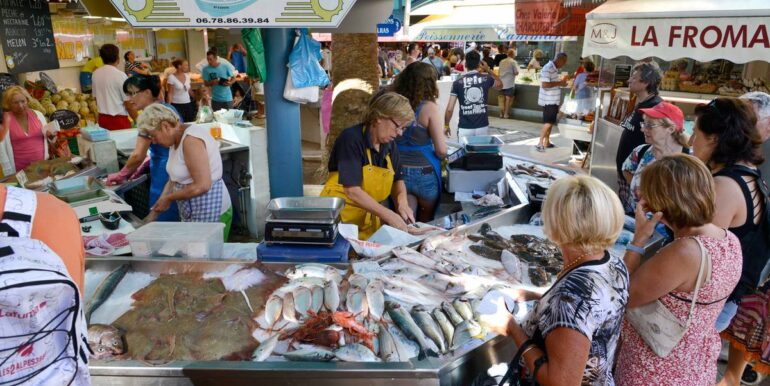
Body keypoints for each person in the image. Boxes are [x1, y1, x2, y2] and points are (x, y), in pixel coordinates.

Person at [481, 175, 628, 385]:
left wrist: (512, 328)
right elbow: (593, 307)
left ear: (557, 223)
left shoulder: (568, 300)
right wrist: (537, 295)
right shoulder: (613, 263)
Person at [615, 154, 742, 386]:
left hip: (655, 370)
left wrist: (639, 240)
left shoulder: (684, 253)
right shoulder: (729, 240)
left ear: (661, 204)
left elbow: (622, 295)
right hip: (694, 364)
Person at [681, 98, 769, 386]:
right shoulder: (749, 177)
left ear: (715, 139)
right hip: (725, 300)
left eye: (696, 133)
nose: (691, 141)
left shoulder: (725, 187)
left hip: (708, 305)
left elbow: (693, 253)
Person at [320, 92, 415, 239]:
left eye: (403, 128)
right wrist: (389, 215)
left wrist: (402, 202)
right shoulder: (351, 139)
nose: (400, 133)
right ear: (378, 117)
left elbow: (398, 179)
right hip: (339, 221)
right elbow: (352, 190)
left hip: (367, 222)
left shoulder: (389, 145)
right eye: (397, 126)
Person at [138, 104, 232, 239]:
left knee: (209, 256)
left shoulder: (191, 140)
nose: (154, 141)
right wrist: (154, 214)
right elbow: (173, 179)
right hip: (194, 209)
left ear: (165, 126)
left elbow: (202, 185)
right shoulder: (174, 139)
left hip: (212, 209)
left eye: (153, 136)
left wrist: (169, 198)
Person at [106, 75, 180, 222]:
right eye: (128, 94)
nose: (130, 99)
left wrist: (121, 174)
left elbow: (137, 155)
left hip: (163, 172)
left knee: (162, 216)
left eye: (133, 93)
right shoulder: (167, 108)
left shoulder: (150, 116)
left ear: (147, 92)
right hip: (174, 168)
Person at [390, 62, 447, 222]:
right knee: (425, 224)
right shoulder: (429, 108)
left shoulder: (394, 103)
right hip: (425, 173)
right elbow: (441, 150)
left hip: (397, 172)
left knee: (406, 221)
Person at [621, 101, 688, 215]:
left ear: (670, 129)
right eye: (644, 124)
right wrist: (637, 185)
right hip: (636, 222)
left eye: (650, 125)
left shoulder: (689, 161)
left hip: (668, 230)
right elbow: (626, 169)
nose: (643, 129)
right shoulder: (640, 151)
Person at [616, 61, 663, 209]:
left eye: (634, 78)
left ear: (646, 82)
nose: (629, 80)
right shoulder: (641, 103)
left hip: (637, 180)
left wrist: (636, 183)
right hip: (628, 173)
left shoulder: (655, 107)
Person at [444, 51, 502, 138]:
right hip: (482, 126)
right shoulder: (486, 79)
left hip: (465, 127)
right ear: (479, 64)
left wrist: (446, 125)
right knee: (481, 151)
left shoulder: (457, 83)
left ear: (466, 64)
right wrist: (488, 70)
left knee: (464, 151)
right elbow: (500, 85)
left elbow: (449, 109)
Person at [0, 86, 54, 176]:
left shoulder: (38, 115)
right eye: (15, 103)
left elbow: (48, 139)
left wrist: (51, 136)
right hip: (19, 172)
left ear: (27, 100)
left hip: (42, 167)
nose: (20, 106)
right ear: (9, 104)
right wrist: (9, 172)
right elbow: (1, 150)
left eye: (23, 101)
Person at [92, 44, 133, 131]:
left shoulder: (95, 74)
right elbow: (128, 104)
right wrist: (138, 120)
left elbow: (96, 99)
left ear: (102, 58)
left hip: (102, 120)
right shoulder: (120, 75)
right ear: (117, 58)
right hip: (119, 121)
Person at [536, 52, 568, 152]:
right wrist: (560, 83)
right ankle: (540, 142)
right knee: (549, 122)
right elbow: (545, 85)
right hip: (549, 100)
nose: (564, 64)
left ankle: (547, 141)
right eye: (564, 62)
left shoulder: (553, 68)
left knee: (550, 122)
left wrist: (560, 83)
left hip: (553, 99)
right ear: (560, 60)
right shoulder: (548, 68)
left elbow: (552, 83)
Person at [166, 59, 196, 123]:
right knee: (179, 123)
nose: (187, 67)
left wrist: (196, 98)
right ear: (179, 66)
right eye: (185, 65)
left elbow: (189, 90)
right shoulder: (171, 77)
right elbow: (170, 93)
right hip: (176, 105)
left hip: (188, 104)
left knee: (190, 123)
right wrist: (168, 107)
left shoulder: (187, 76)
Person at [498, 49, 519, 120]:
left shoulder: (501, 61)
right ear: (513, 55)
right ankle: (506, 114)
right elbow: (516, 72)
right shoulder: (513, 62)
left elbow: (499, 71)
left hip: (501, 82)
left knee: (501, 98)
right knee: (508, 99)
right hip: (509, 83)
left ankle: (501, 113)